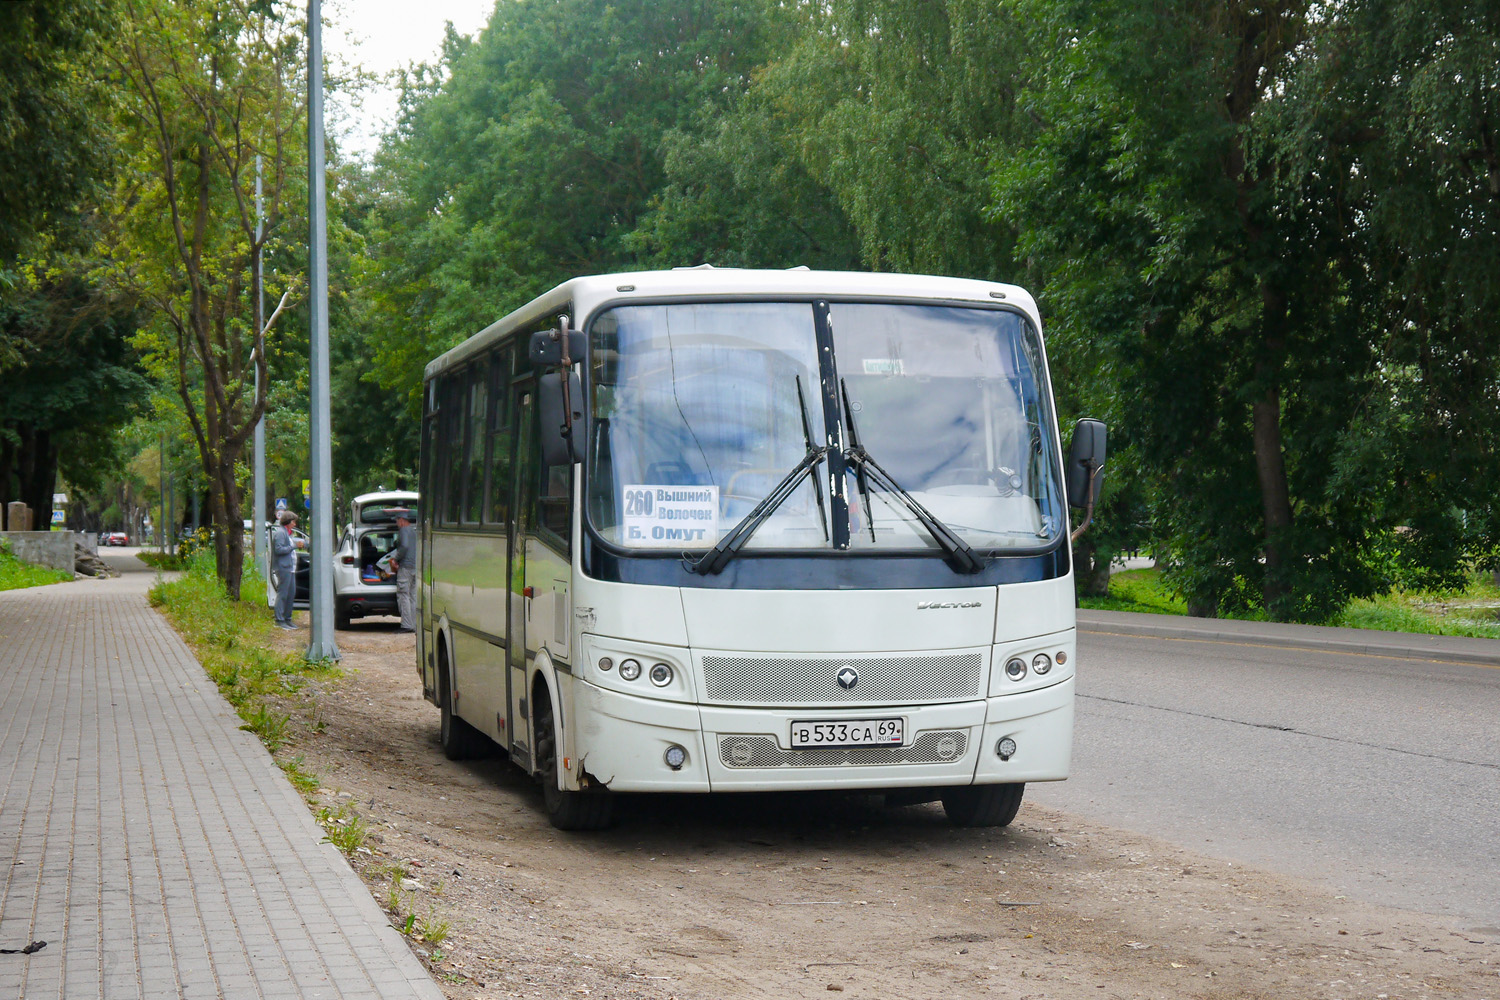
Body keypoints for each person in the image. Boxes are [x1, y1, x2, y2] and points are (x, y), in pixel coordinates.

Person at [389, 509, 417, 633]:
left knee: (403, 595)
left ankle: (406, 625)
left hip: (405, 567)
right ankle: (414, 624)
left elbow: (404, 546)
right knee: (412, 596)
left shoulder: (403, 531)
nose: (396, 523)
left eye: (397, 521)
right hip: (416, 567)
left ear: (401, 520)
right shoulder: (414, 531)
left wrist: (396, 559)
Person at [271, 510, 299, 630]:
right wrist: (294, 546)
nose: (295, 524)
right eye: (293, 522)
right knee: (283, 593)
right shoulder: (280, 533)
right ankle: (279, 619)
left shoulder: (287, 533)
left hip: (290, 568)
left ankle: (287, 618)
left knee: (290, 594)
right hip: (283, 568)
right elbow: (279, 550)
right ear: (288, 521)